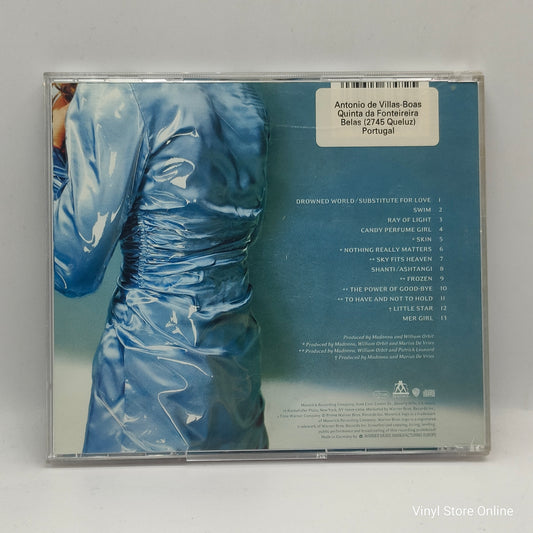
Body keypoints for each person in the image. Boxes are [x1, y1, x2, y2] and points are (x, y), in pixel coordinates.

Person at [52, 81, 269, 454]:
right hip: (237, 375)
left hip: (149, 379)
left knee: (129, 492)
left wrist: (55, 153)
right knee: (237, 489)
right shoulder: (245, 95)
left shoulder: (116, 92)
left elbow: (69, 268)